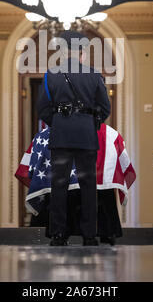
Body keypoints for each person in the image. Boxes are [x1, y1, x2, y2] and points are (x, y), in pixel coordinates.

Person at [37, 30, 111, 246]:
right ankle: (89, 235)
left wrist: (59, 121)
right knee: (88, 185)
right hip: (87, 135)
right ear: (82, 53)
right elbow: (105, 108)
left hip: (61, 135)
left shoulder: (51, 75)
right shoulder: (94, 74)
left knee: (59, 185)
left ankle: (59, 235)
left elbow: (42, 108)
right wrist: (89, 122)